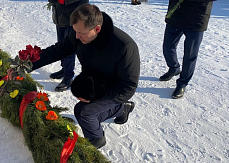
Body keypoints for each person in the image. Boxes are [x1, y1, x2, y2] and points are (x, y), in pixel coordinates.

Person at [32, 4, 140, 149]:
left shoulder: (124, 46)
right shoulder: (80, 35)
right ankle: (121, 109)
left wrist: (96, 98)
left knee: (83, 112)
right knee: (86, 107)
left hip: (114, 89)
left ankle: (96, 140)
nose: (76, 36)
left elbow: (128, 87)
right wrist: (28, 63)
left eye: (80, 33)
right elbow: (58, 50)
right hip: (94, 81)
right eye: (75, 31)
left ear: (97, 29)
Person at [159, 0, 216, 98]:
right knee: (168, 46)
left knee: (190, 55)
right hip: (176, 14)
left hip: (197, 17)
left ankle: (182, 83)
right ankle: (174, 68)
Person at [48, 0, 88, 92]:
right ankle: (64, 69)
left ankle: (68, 77)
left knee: (68, 47)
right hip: (60, 15)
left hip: (75, 14)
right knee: (61, 44)